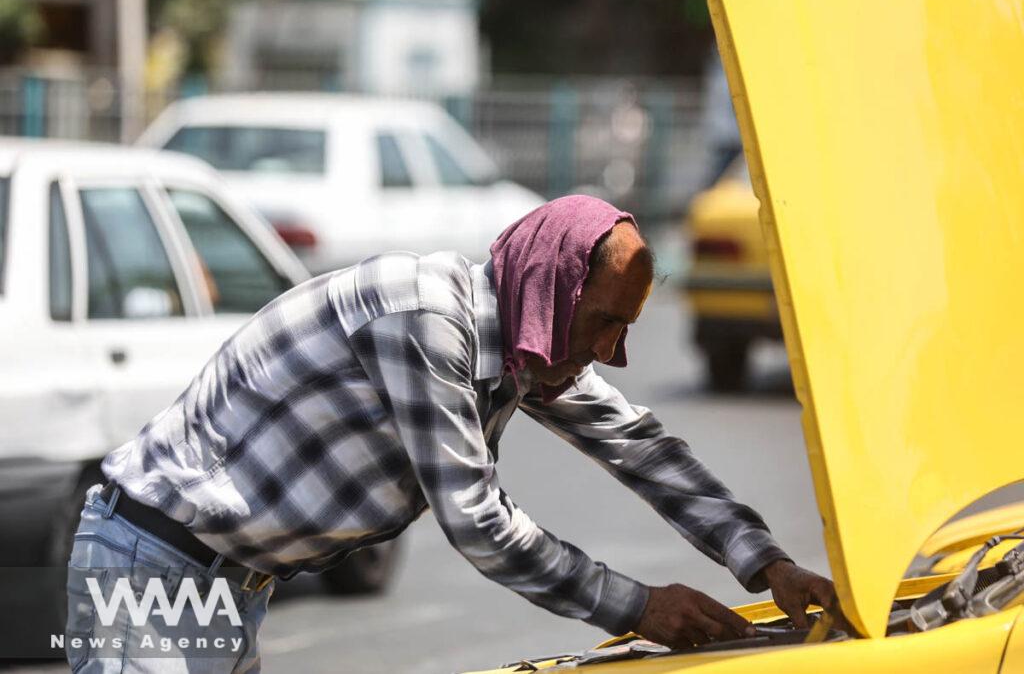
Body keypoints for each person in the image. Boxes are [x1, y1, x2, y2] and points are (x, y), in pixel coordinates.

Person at [66, 195, 835, 672]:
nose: (609, 351)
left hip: (227, 583)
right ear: (548, 288)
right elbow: (477, 520)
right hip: (153, 564)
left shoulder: (531, 348)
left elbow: (640, 446)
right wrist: (634, 606)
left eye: (625, 328)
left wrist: (768, 564)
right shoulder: (425, 319)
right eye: (603, 321)